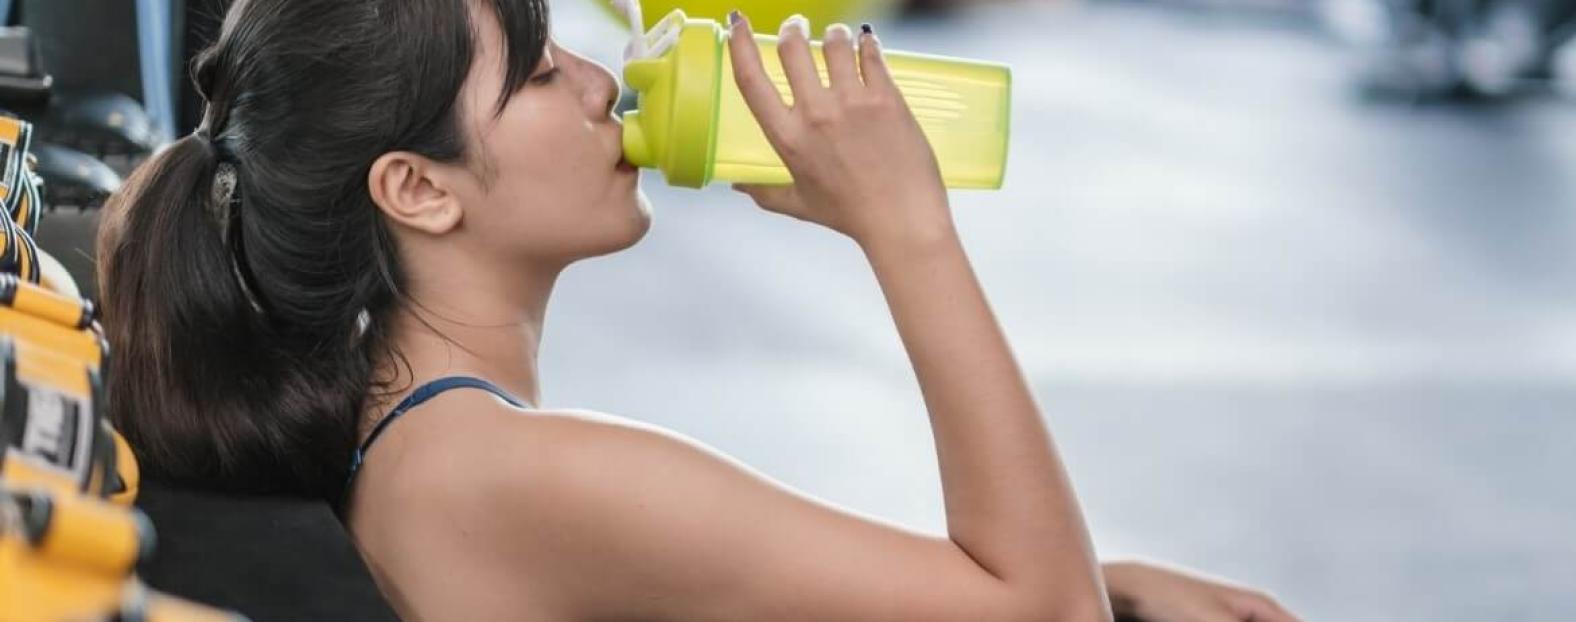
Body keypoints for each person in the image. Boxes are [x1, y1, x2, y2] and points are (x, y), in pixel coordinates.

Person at [94, 0, 1296, 620]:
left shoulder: (432, 442)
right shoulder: (506, 469)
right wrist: (903, 226)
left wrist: (1109, 575)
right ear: (418, 189)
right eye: (540, 71)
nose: (603, 83)